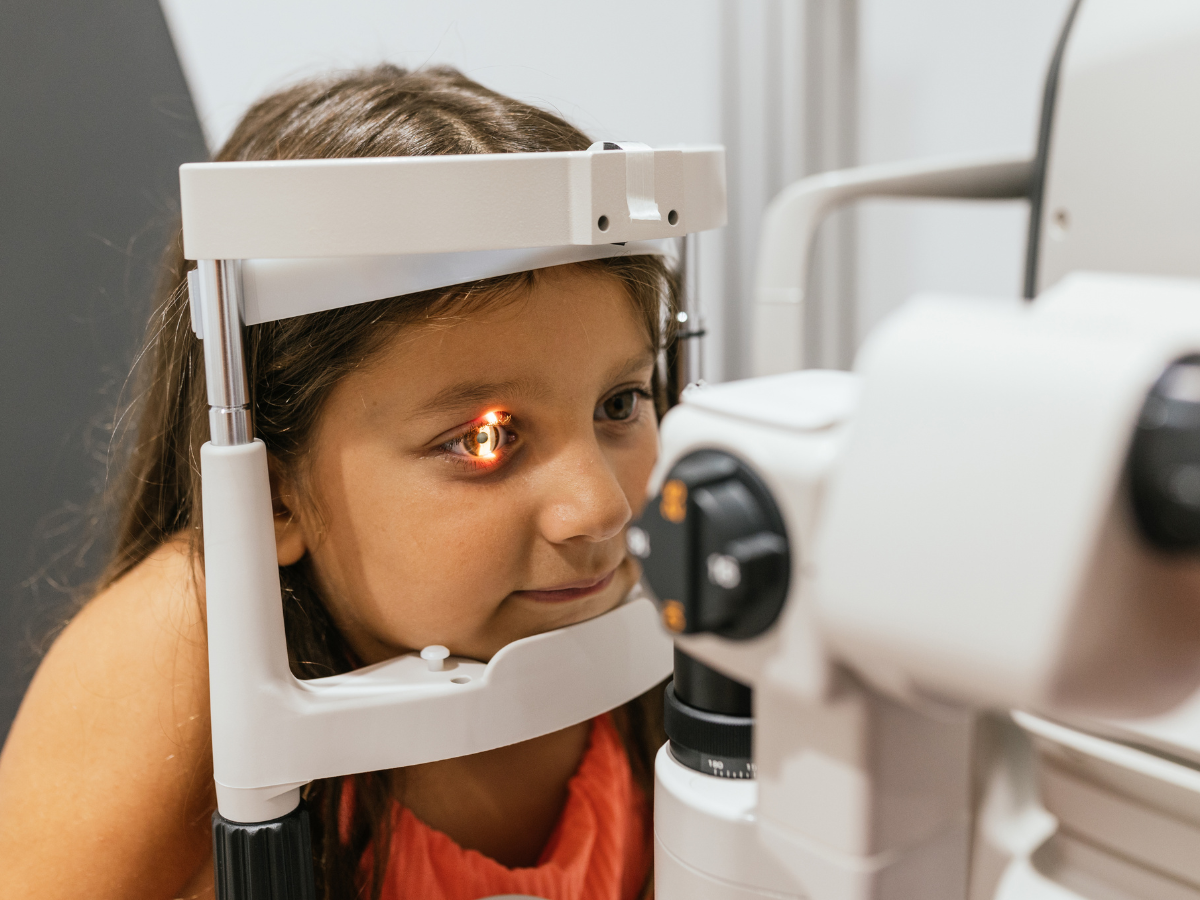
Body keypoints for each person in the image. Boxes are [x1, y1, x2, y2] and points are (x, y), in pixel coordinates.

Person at [0, 65, 675, 900]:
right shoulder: (186, 651)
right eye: (485, 438)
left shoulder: (656, 619)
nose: (600, 509)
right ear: (274, 495)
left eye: (621, 401)